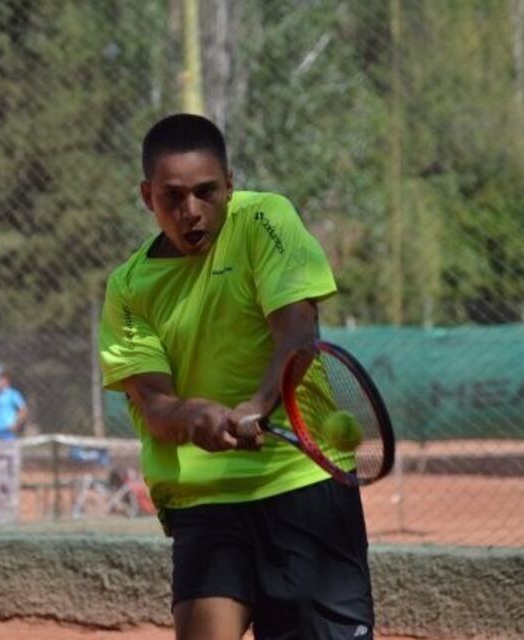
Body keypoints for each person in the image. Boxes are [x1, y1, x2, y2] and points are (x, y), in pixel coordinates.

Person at [99, 114, 374, 640]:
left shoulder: (264, 220)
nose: (191, 211)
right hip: (206, 503)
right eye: (172, 197)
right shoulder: (128, 288)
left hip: (303, 484)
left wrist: (258, 404)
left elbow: (297, 330)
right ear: (146, 196)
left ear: (229, 184)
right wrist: (192, 416)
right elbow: (154, 405)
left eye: (206, 192)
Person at [0, 371, 28, 440]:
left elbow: (23, 410)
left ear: (5, 381)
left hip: (8, 430)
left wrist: (17, 424)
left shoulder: (13, 394)